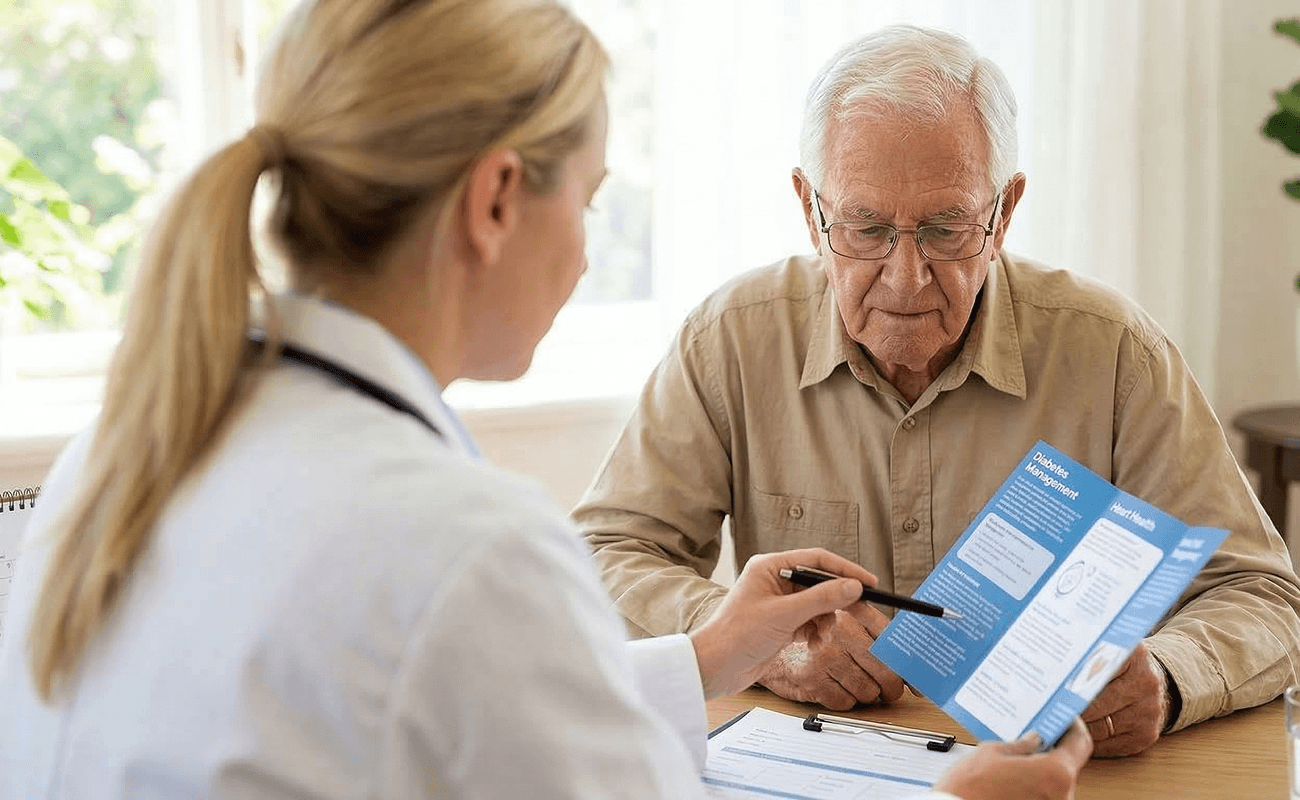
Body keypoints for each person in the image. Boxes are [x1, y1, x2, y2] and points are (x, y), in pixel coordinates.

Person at [0, 2, 1092, 798]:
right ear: (493, 201)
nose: (582, 258)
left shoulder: (121, 448)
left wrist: (712, 653)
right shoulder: (463, 545)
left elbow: (438, 704)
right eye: (593, 200)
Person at [574, 22, 1300, 760]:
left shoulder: (1114, 352)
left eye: (947, 229)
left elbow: (1264, 598)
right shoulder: (730, 337)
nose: (905, 276)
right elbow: (603, 552)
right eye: (866, 228)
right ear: (809, 209)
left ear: (1005, 212)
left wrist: (1170, 677)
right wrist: (750, 639)